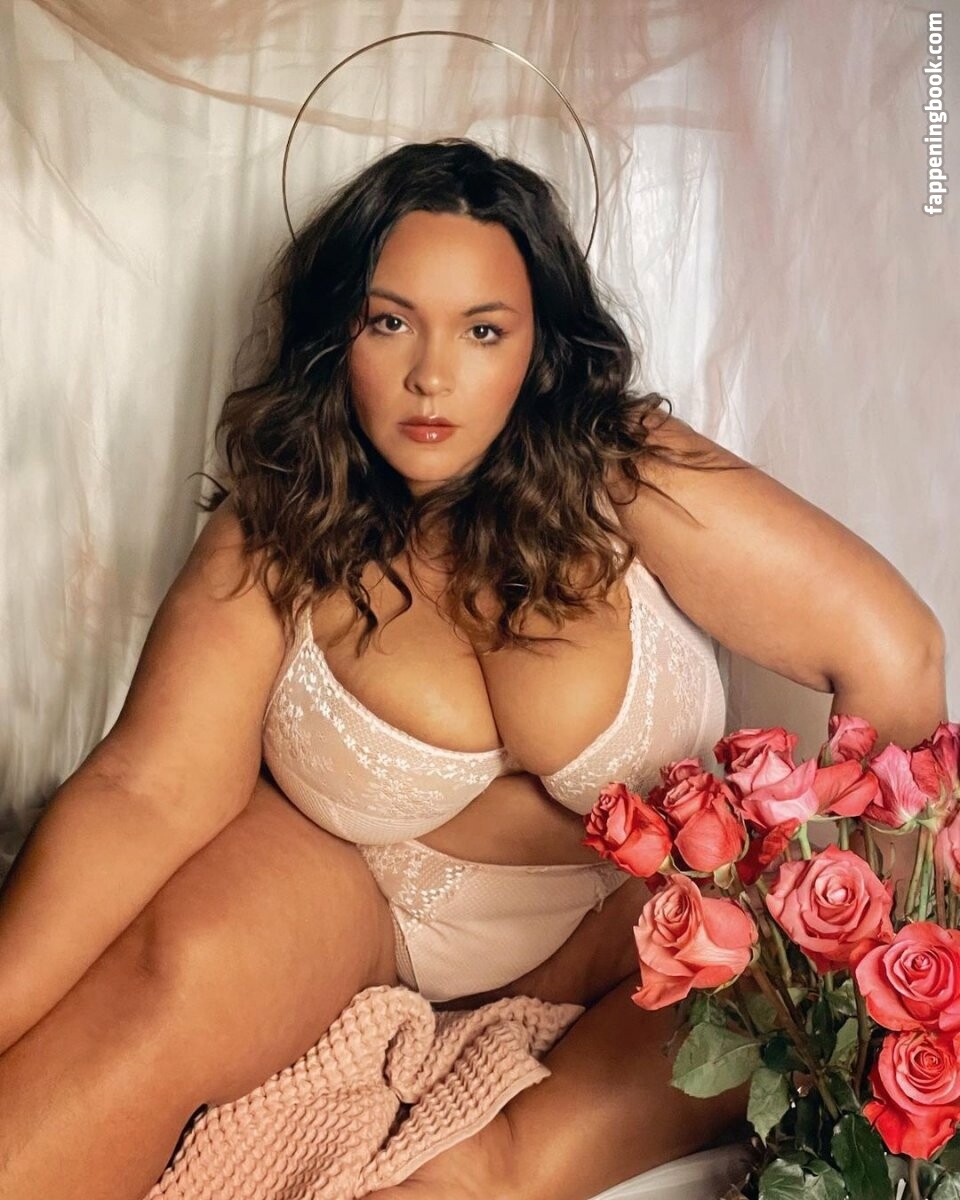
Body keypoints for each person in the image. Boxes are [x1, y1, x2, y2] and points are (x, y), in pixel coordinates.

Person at [0, 138, 946, 1200]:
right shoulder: (282, 516)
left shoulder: (625, 471)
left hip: (635, 931)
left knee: (482, 1168)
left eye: (482, 330)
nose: (432, 376)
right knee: (165, 990)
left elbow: (893, 654)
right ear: (338, 334)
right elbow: (148, 789)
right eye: (389, 322)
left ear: (538, 346)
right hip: (360, 894)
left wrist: (892, 982)